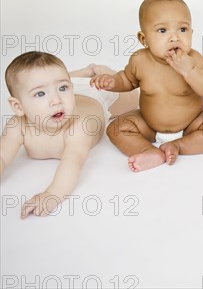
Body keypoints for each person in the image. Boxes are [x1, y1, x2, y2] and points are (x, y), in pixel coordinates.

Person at [91, 0, 203, 172]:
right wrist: (113, 81)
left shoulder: (194, 60)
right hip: (148, 125)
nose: (174, 38)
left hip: (191, 125)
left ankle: (179, 146)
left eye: (183, 29)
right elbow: (127, 80)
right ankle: (149, 151)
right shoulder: (140, 60)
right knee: (115, 129)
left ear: (192, 33)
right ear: (144, 39)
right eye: (163, 31)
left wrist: (189, 71)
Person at [1, 52, 137, 218]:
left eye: (63, 88)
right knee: (54, 81)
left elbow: (73, 161)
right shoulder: (17, 125)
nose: (56, 100)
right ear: (18, 106)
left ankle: (102, 73)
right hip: (76, 89)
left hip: (96, 95)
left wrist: (53, 194)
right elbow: (2, 156)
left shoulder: (78, 128)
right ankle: (85, 72)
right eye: (40, 94)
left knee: (134, 99)